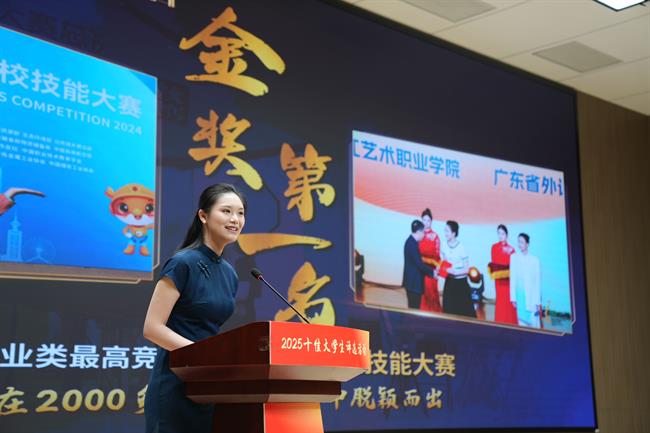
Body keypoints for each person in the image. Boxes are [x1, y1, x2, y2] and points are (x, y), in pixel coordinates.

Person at [143, 183, 246, 433]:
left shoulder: (230, 274)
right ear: (203, 216)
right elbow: (152, 328)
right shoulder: (182, 263)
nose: (235, 219)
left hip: (208, 385)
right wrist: (202, 354)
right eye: (226, 211)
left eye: (241, 213)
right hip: (174, 386)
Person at [440, 220, 476, 318]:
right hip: (449, 282)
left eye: (447, 231)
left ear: (454, 233)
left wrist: (455, 272)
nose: (445, 233)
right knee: (448, 310)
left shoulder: (461, 248)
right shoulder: (443, 245)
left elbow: (467, 269)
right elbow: (443, 262)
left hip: (460, 284)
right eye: (445, 230)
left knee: (462, 312)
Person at [509, 233, 541, 328]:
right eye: (518, 242)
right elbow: (512, 278)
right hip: (520, 297)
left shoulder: (535, 260)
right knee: (522, 324)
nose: (519, 244)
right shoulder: (514, 257)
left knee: (534, 325)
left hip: (532, 297)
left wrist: (538, 302)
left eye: (522, 242)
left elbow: (537, 282)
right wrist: (513, 298)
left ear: (527, 244)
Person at [402, 220, 436, 309]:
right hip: (413, 284)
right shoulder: (412, 245)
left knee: (413, 307)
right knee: (414, 308)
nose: (424, 235)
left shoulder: (411, 241)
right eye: (423, 232)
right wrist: (433, 272)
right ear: (418, 232)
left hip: (411, 283)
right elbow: (419, 265)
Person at [488, 224, 517, 324]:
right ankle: (499, 321)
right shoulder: (494, 247)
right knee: (500, 300)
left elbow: (513, 267)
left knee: (508, 301)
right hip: (498, 280)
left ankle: (510, 322)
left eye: (503, 233)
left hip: (508, 281)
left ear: (507, 235)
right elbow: (494, 262)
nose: (500, 236)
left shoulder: (512, 250)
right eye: (499, 233)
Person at [418, 208, 442, 312]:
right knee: (420, 294)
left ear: (431, 221)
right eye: (424, 220)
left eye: (428, 220)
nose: (426, 222)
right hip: (420, 270)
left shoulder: (435, 236)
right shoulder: (418, 235)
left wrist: (436, 269)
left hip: (431, 270)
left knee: (432, 294)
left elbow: (437, 255)